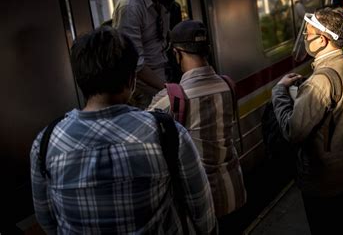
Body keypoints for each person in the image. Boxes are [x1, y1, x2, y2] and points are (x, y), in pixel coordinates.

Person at [30, 27, 216, 234]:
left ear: (80, 80)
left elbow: (47, 220)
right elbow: (202, 210)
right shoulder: (167, 133)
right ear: (131, 80)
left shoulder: (46, 143)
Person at [148, 20, 247, 234]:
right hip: (235, 192)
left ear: (177, 54)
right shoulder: (228, 85)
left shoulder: (170, 99)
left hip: (201, 204)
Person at [272, 7, 343, 234]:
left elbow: (293, 131)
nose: (305, 39)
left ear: (321, 40)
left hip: (323, 177)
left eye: (307, 35)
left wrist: (279, 93)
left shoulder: (321, 80)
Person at [113, 0, 183, 108]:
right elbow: (134, 63)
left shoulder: (162, 0)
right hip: (145, 86)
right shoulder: (131, 6)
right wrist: (166, 88)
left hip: (165, 75)